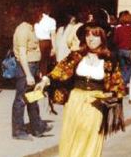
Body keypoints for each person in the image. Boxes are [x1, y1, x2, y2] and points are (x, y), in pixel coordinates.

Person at [36, 20, 126, 157]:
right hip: (74, 102)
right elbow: (59, 71)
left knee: (89, 138)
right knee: (71, 137)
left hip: (95, 104)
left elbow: (118, 86)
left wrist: (109, 96)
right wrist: (44, 81)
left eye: (95, 35)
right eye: (88, 35)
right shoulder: (76, 56)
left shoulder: (110, 60)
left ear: (102, 37)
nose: (91, 39)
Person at [12, 7, 51, 140]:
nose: (41, 17)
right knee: (21, 100)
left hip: (32, 67)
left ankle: (37, 127)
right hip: (26, 68)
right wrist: (28, 74)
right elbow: (22, 54)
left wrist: (37, 70)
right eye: (39, 14)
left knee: (33, 97)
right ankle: (18, 131)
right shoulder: (23, 30)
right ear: (32, 14)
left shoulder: (31, 28)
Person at [112, 11, 131, 85]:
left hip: (120, 49)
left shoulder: (118, 29)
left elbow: (115, 40)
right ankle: (123, 82)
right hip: (129, 50)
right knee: (130, 67)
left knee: (123, 68)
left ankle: (121, 81)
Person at [34, 4, 56, 76]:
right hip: (46, 42)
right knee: (44, 62)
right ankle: (42, 76)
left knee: (37, 60)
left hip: (36, 41)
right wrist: (54, 48)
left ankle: (37, 75)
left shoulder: (36, 19)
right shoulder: (51, 20)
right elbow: (53, 34)